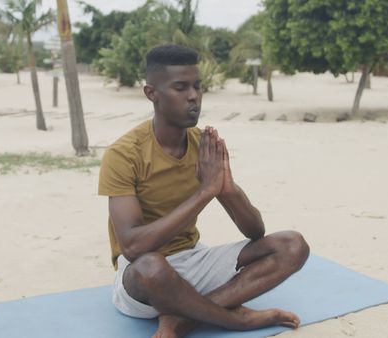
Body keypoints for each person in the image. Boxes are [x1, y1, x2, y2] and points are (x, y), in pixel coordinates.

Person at [98, 44, 310, 338]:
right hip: (144, 278)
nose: (193, 96)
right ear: (152, 93)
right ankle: (238, 320)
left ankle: (182, 320)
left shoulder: (205, 146)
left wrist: (226, 187)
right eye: (181, 88)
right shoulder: (123, 154)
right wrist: (204, 193)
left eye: (198, 87)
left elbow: (255, 231)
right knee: (152, 267)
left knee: (292, 245)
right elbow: (133, 248)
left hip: (196, 259)